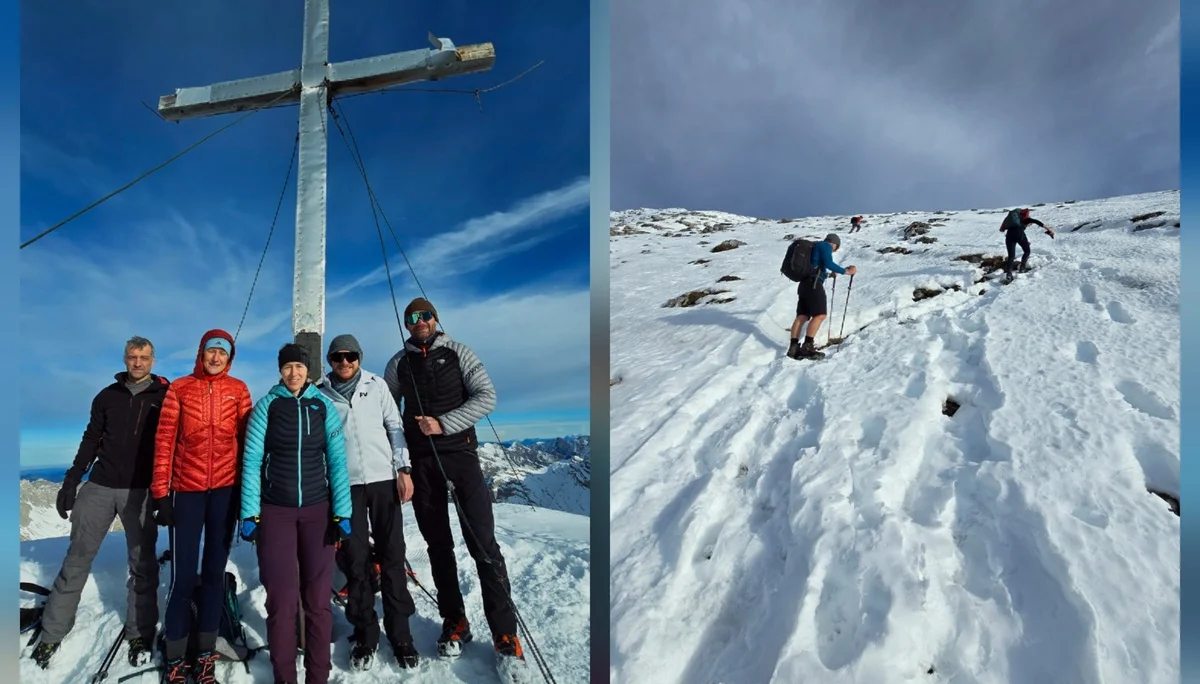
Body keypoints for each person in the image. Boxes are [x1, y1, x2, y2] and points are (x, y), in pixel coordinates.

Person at [383, 297, 528, 678]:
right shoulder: (398, 363)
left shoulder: (460, 352)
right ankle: (455, 622)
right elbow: (388, 412)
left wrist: (443, 423)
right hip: (422, 462)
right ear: (406, 324)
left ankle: (505, 634)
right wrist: (402, 461)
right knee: (438, 546)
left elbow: (487, 397)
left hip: (461, 455)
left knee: (483, 544)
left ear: (436, 318)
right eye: (412, 318)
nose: (419, 322)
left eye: (425, 315)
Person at [31, 337, 170, 670]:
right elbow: (91, 439)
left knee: (143, 565)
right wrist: (72, 480)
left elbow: (172, 445)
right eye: (133, 357)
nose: (138, 363)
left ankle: (139, 632)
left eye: (144, 357)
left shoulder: (166, 398)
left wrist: (169, 493)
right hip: (100, 486)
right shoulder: (106, 397)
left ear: (153, 361)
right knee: (76, 558)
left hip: (141, 490)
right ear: (125, 359)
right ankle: (51, 633)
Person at [239, 343, 353, 684]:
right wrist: (250, 512)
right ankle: (284, 676)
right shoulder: (266, 407)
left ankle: (318, 676)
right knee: (282, 602)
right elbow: (252, 460)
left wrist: (342, 512)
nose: (294, 373)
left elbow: (336, 460)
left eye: (300, 367)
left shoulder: (323, 407)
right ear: (280, 370)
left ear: (309, 370)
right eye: (288, 367)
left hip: (319, 512)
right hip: (276, 512)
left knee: (318, 602)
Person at [151, 329, 252, 684]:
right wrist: (161, 493)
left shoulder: (238, 390)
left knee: (213, 575)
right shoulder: (179, 388)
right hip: (186, 491)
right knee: (181, 578)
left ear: (230, 358)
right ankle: (176, 660)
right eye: (211, 351)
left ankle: (206, 656)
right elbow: (164, 441)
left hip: (225, 491)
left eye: (222, 353)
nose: (215, 358)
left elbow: (247, 444)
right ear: (201, 353)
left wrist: (246, 495)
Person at [317, 334, 419, 671]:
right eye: (337, 357)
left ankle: (400, 634)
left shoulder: (376, 386)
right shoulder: (319, 393)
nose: (344, 363)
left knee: (392, 555)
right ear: (330, 360)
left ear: (359, 357)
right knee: (355, 559)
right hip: (345, 487)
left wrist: (403, 468)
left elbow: (395, 426)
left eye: (350, 356)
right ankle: (365, 634)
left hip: (382, 480)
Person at [788, 233, 857, 360]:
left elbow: (818, 266)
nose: (835, 250)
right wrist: (846, 271)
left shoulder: (815, 247)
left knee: (802, 316)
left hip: (804, 285)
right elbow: (828, 263)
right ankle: (807, 347)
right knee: (820, 315)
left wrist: (829, 274)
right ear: (835, 244)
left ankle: (793, 348)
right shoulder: (825, 245)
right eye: (836, 247)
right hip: (814, 284)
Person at [999, 207, 1055, 282]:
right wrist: (1049, 230)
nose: (1029, 225)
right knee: (1027, 251)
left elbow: (1001, 230)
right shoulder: (1026, 219)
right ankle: (1022, 268)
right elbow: (1037, 221)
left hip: (1009, 236)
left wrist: (1024, 241)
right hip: (1019, 234)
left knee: (1011, 256)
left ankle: (1009, 274)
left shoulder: (1013, 221)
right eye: (1030, 224)